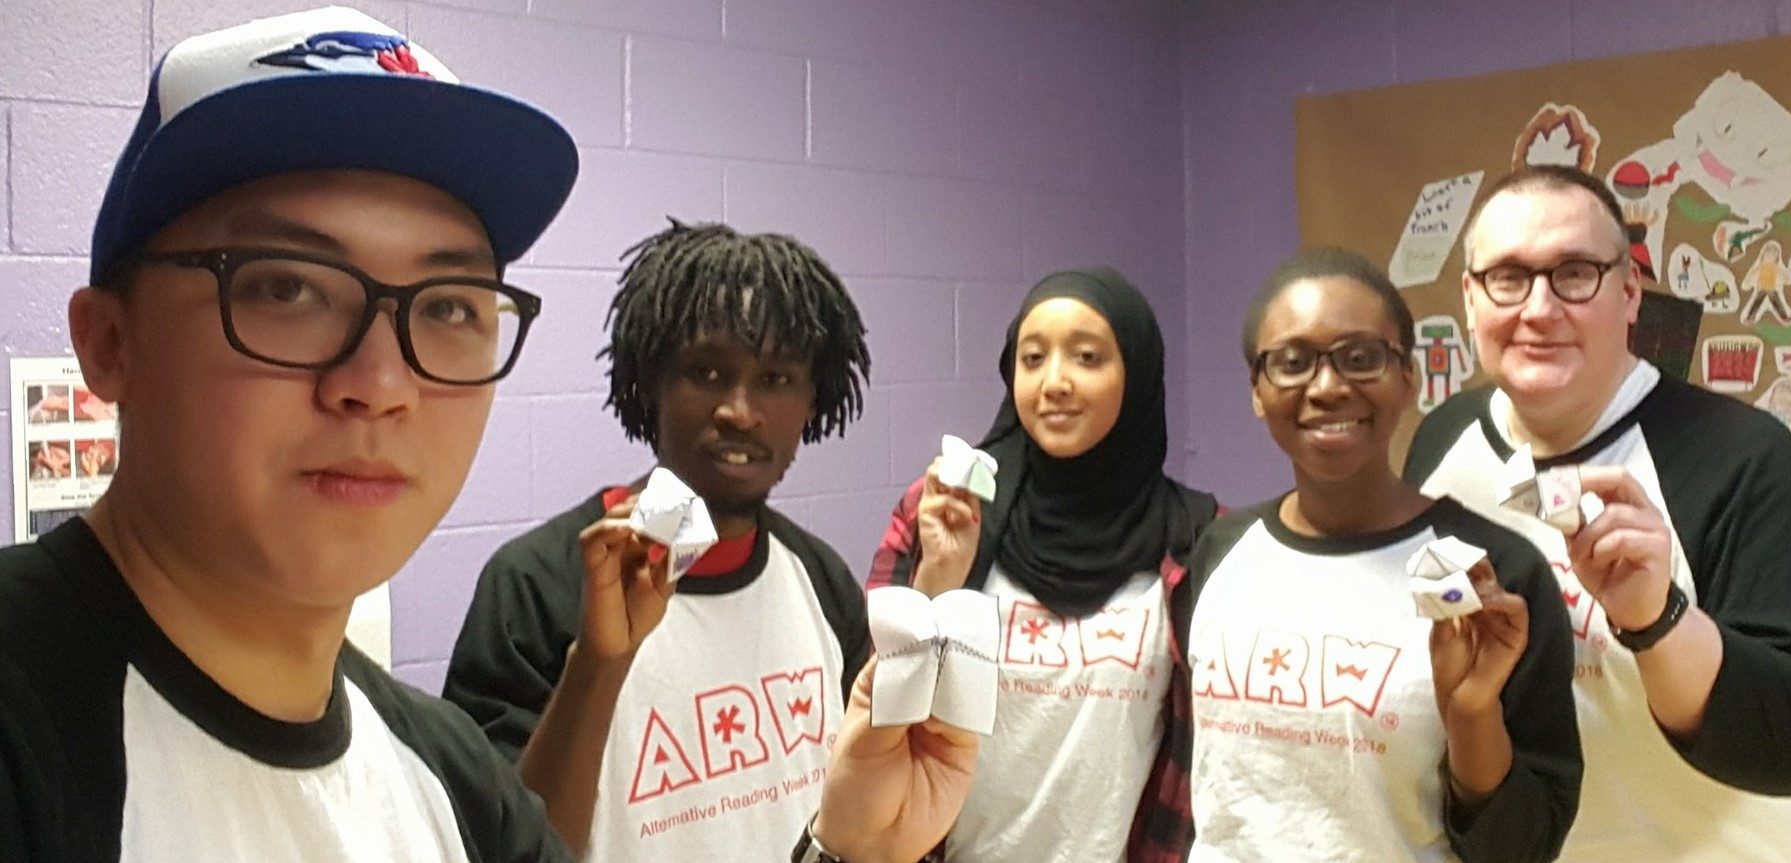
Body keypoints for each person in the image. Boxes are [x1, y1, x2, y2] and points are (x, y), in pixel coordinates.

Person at [0, 9, 977, 862]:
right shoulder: (32, 738)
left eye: (450, 304)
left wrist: (849, 849)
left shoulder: (446, 777)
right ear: (109, 341)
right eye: (286, 286)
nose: (379, 382)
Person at [1404, 165, 1791, 862]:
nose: (1538, 308)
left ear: (1629, 295)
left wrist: (1657, 619)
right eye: (1508, 276)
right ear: (1470, 299)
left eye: (1574, 273)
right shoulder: (1443, 440)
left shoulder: (1742, 458)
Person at [444, 221, 874, 860]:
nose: (740, 410)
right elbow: (499, 847)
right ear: (650, 384)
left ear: (814, 400)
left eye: (777, 379)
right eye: (705, 371)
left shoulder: (819, 577)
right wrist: (598, 662)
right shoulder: (536, 583)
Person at [1161, 248, 1578, 861]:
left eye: (1360, 359)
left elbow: (1523, 847)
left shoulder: (1493, 575)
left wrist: (1470, 713)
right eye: (1293, 362)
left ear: (1407, 378)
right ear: (1257, 390)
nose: (1327, 387)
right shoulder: (1220, 553)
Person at [868, 267, 1218, 861]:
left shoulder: (1193, 538)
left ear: (1136, 375)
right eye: (1032, 360)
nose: (1053, 382)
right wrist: (939, 583)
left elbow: (1205, 755)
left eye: (1086, 358)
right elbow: (876, 712)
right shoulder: (949, 509)